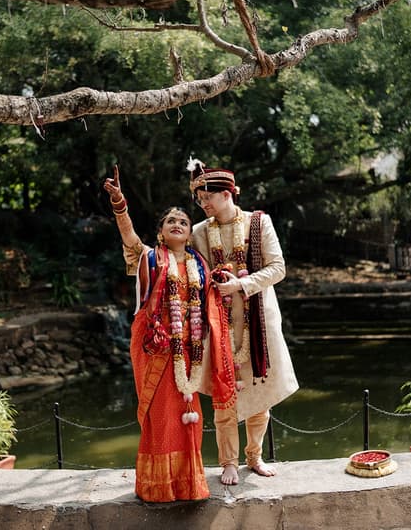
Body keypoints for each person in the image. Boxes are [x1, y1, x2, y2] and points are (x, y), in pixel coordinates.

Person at [103, 165, 234, 502]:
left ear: (189, 234)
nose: (178, 224)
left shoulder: (199, 265)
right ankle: (157, 487)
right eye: (170, 221)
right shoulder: (148, 257)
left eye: (184, 222)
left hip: (189, 352)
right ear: (161, 232)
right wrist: (120, 204)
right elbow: (129, 236)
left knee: (188, 419)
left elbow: (209, 306)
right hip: (155, 346)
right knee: (161, 417)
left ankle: (188, 484)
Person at [188, 160, 299, 486]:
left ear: (227, 193)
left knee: (258, 392)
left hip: (257, 321)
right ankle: (228, 462)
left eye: (207, 196)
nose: (203, 203)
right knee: (225, 393)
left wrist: (240, 285)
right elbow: (189, 272)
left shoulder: (258, 223)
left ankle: (255, 456)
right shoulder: (198, 232)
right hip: (218, 322)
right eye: (199, 199)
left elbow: (278, 269)